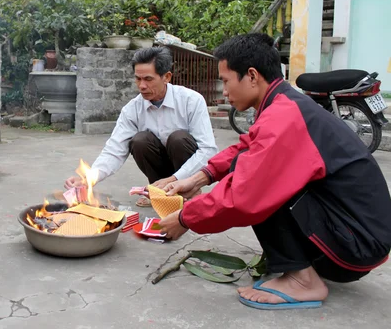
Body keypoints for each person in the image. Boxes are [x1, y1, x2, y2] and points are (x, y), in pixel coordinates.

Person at [158, 33, 391, 310]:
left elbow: (244, 196)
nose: (224, 91)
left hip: (355, 246)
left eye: (225, 80)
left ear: (252, 76)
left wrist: (185, 218)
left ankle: (303, 281)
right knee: (252, 163)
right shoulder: (281, 102)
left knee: (261, 185)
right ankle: (298, 263)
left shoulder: (285, 116)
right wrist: (198, 178)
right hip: (351, 232)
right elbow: (244, 148)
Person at [64, 46, 218, 205]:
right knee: (139, 140)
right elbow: (114, 150)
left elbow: (208, 150)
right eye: (138, 79)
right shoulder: (132, 109)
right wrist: (88, 179)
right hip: (159, 165)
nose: (142, 86)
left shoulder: (191, 101)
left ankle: (188, 190)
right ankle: (158, 192)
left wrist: (175, 179)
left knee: (178, 138)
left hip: (185, 169)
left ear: (166, 77)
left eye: (148, 79)